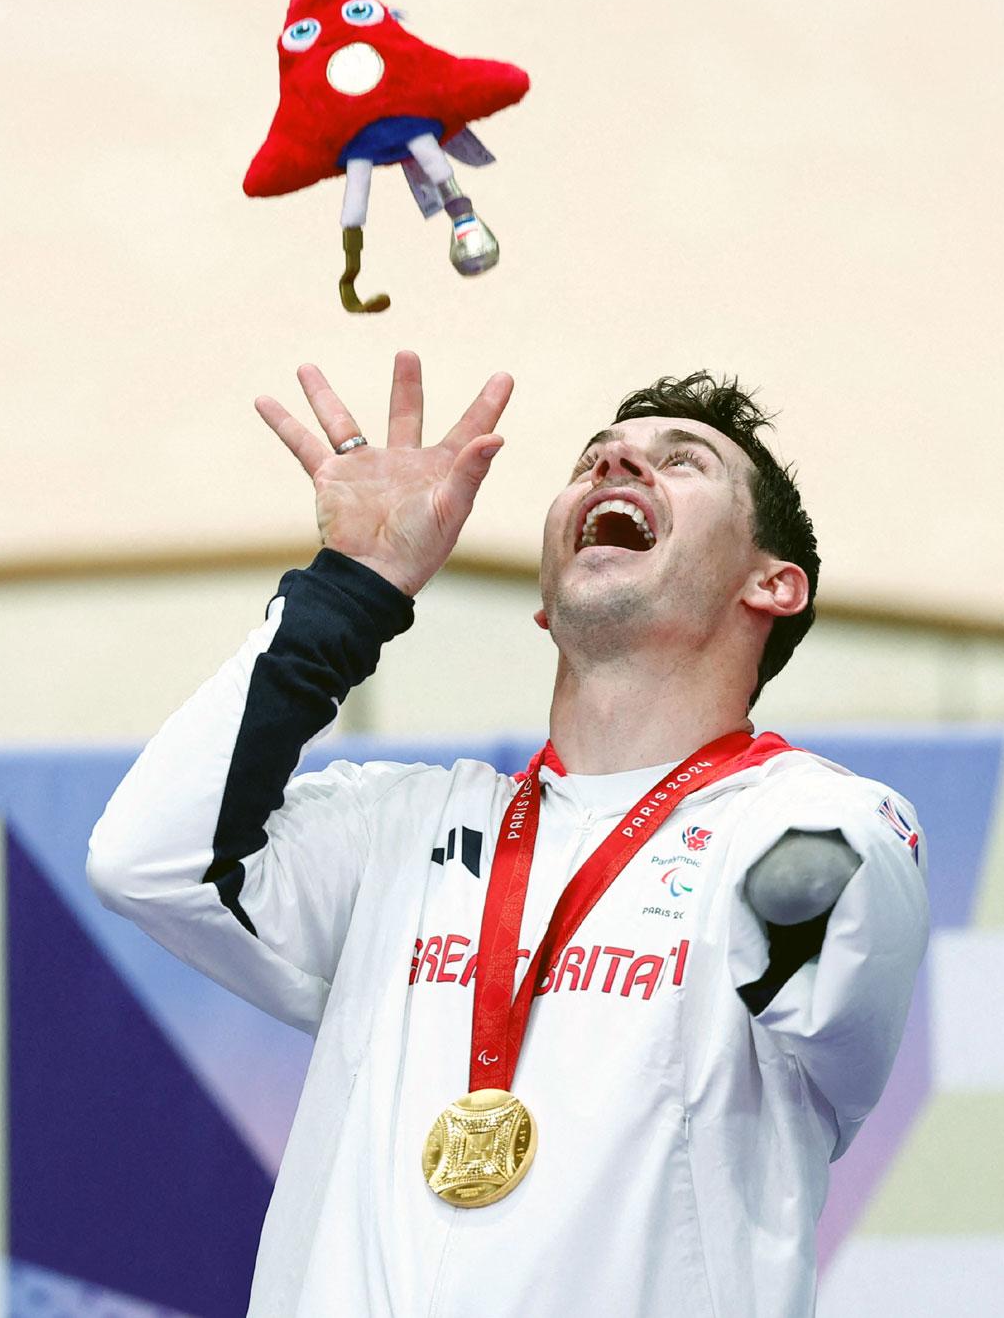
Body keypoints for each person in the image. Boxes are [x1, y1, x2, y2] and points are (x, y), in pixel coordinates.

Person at [88, 353, 929, 1318]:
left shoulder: (811, 819)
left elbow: (824, 933)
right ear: (545, 602)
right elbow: (150, 860)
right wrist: (354, 590)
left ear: (774, 586)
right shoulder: (405, 826)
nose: (616, 468)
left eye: (683, 461)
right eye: (594, 459)